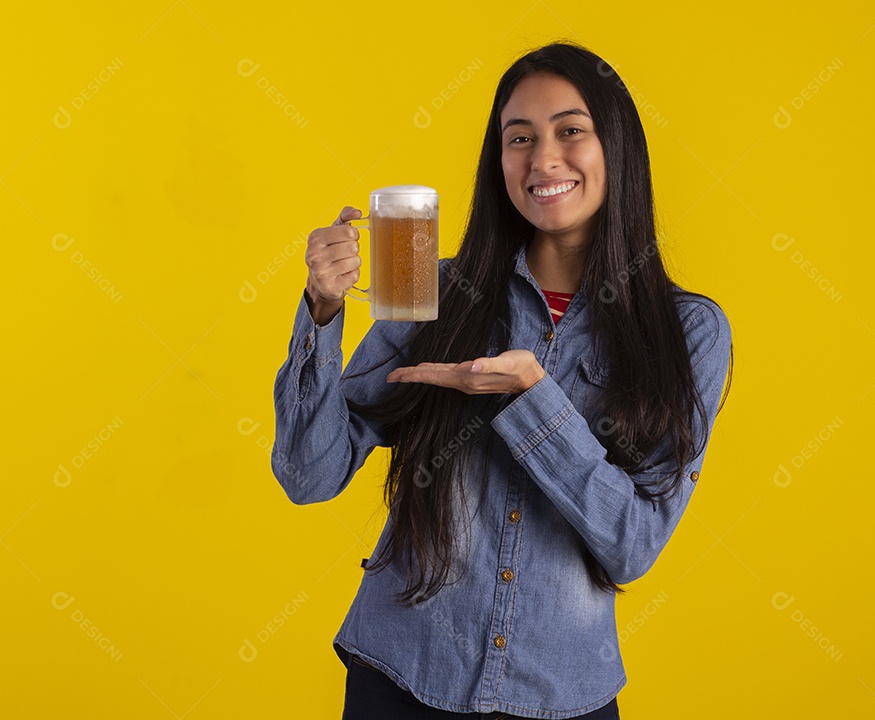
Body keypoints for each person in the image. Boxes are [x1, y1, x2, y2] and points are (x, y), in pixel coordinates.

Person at [272, 41, 734, 720]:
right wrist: (323, 311)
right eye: (519, 139)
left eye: (570, 131)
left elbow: (633, 544)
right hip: (400, 679)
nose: (543, 158)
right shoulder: (433, 288)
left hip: (563, 693)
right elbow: (309, 477)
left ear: (618, 149)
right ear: (500, 162)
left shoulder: (688, 331)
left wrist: (529, 399)